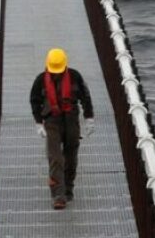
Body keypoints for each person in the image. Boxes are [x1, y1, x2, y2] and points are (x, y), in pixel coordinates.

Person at [30, 47, 96, 210]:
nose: (56, 73)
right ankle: (58, 195)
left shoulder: (75, 77)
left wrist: (89, 118)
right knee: (55, 157)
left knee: (71, 155)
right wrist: (39, 123)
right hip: (52, 120)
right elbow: (34, 101)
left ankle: (68, 189)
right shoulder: (40, 80)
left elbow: (86, 97)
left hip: (71, 119)